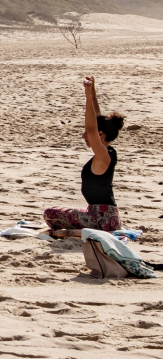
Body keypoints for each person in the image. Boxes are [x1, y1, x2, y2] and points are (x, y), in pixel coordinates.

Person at [46, 77, 124, 238]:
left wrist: (88, 97)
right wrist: (91, 91)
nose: (84, 136)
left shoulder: (104, 156)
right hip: (103, 216)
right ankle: (79, 231)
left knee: (50, 213)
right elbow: (95, 120)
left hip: (103, 219)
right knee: (60, 212)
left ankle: (78, 232)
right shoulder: (107, 151)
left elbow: (91, 126)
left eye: (86, 133)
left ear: (100, 135)